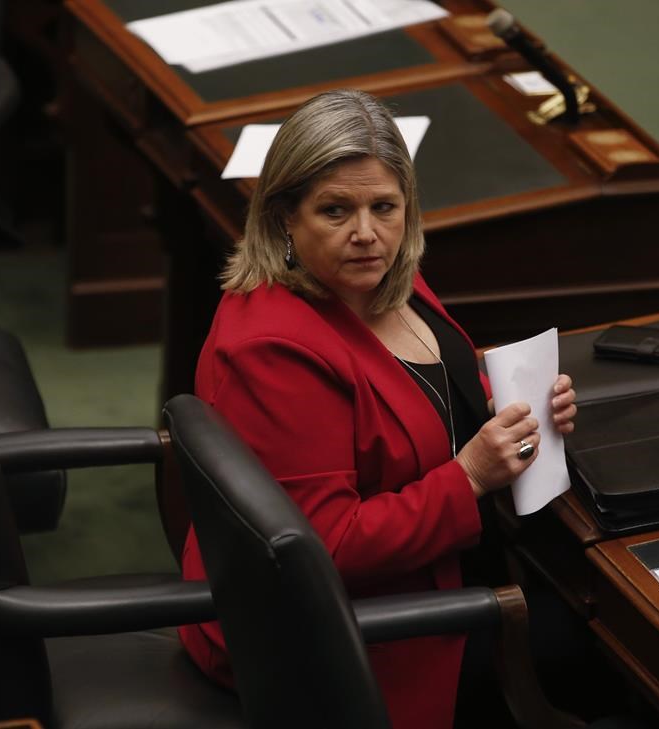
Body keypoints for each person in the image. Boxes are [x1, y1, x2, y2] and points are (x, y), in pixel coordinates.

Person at [179, 89, 577, 729]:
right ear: (284, 217)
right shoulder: (273, 350)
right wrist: (471, 474)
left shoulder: (383, 275)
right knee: (603, 651)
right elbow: (321, 549)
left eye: (384, 207)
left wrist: (512, 403)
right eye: (335, 210)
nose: (366, 233)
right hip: (354, 633)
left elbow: (429, 386)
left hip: (443, 566)